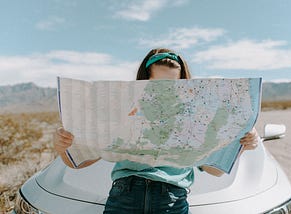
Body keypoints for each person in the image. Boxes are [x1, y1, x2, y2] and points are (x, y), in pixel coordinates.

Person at [54, 48, 259, 214]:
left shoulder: (195, 116)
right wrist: (63, 146)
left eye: (171, 85)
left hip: (171, 201)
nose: (164, 91)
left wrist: (240, 145)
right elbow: (81, 162)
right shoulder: (124, 111)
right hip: (124, 196)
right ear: (144, 82)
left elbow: (214, 170)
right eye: (157, 84)